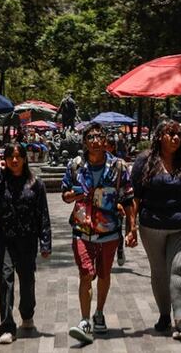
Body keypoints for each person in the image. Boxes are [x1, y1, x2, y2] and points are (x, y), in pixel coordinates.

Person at [131, 120, 181, 340]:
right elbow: (135, 197)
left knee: (179, 269)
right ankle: (164, 315)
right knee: (159, 272)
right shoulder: (144, 161)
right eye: (170, 134)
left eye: (179, 134)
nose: (176, 138)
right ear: (159, 137)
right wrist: (130, 226)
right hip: (152, 227)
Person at [61, 122, 136, 343]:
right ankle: (84, 320)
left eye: (99, 137)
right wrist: (74, 196)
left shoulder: (119, 167)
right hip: (82, 229)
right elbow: (64, 194)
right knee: (85, 274)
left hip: (109, 231)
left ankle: (99, 313)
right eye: (91, 137)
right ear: (84, 141)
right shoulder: (75, 165)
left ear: (105, 141)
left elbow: (129, 199)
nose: (95, 141)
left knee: (103, 274)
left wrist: (133, 228)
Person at [0, 143, 52, 345]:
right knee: (5, 278)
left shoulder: (35, 183)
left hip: (28, 238)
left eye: (18, 156)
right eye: (10, 157)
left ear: (24, 158)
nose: (14, 160)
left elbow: (43, 215)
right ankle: (7, 326)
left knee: (27, 279)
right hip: (4, 237)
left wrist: (45, 243)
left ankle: (27, 313)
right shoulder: (0, 181)